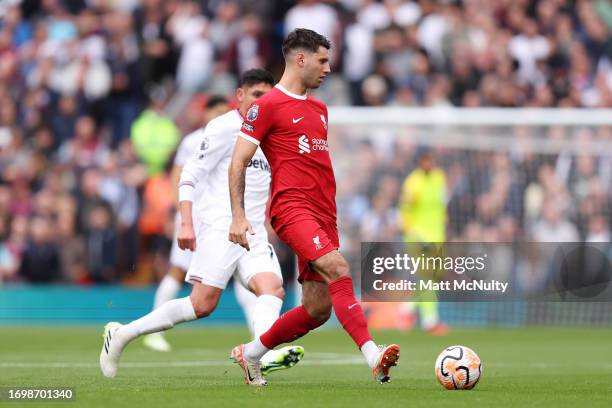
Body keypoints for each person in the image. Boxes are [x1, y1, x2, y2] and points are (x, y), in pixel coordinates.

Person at [100, 69, 304, 378]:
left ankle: (256, 356)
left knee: (272, 288)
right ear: (241, 96)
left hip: (253, 232)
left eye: (268, 96)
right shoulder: (224, 128)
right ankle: (123, 334)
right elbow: (190, 174)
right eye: (256, 96)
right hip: (221, 227)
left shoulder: (272, 133)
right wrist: (186, 222)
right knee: (201, 305)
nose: (263, 103)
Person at [228, 29, 400, 386]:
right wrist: (239, 215)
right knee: (339, 267)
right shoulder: (267, 106)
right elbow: (238, 161)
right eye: (322, 60)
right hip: (292, 207)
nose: (327, 68)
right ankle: (372, 354)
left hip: (325, 213)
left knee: (317, 309)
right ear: (300, 59)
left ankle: (252, 354)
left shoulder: (320, 109)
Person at [143, 95, 230, 352]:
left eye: (224, 113)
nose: (219, 117)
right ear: (205, 114)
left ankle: (261, 334)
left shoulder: (231, 139)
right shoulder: (192, 141)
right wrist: (178, 212)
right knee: (178, 270)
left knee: (243, 271)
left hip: (218, 215)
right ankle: (152, 330)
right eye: (216, 112)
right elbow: (177, 176)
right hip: (192, 215)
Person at [398, 149, 449, 336]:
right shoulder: (413, 183)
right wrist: (414, 234)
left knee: (432, 278)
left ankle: (406, 310)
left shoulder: (439, 178)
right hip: (418, 238)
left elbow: (442, 206)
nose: (429, 164)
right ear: (420, 162)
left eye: (431, 160)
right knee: (428, 277)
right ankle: (430, 321)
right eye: (425, 160)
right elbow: (404, 211)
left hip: (437, 236)